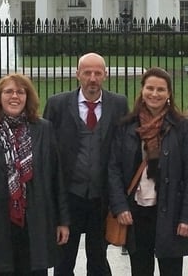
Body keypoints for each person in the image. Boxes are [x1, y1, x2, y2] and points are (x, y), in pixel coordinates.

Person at [0, 73, 70, 275]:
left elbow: (57, 179)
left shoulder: (44, 130)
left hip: (35, 224)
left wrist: (63, 221)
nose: (15, 96)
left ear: (28, 97)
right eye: (8, 91)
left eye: (20, 92)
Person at [107, 67, 188, 276]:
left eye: (160, 89)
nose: (154, 94)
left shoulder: (181, 127)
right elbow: (114, 169)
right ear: (142, 90)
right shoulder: (127, 126)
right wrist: (120, 206)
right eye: (150, 88)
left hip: (171, 211)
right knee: (140, 269)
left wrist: (187, 217)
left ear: (169, 94)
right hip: (136, 212)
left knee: (171, 270)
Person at [44, 52, 129, 276]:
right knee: (64, 260)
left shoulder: (118, 104)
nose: (92, 78)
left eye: (97, 73)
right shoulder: (57, 104)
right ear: (77, 74)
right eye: (87, 73)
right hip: (69, 196)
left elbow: (124, 150)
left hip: (102, 199)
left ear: (106, 75)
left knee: (98, 259)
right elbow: (47, 152)